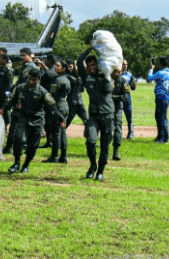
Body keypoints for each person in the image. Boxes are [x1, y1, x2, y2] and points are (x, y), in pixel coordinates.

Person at [2, 68, 55, 173]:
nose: (31, 82)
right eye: (29, 79)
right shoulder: (20, 88)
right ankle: (16, 163)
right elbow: (12, 101)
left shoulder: (43, 92)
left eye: (33, 80)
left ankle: (26, 165)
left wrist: (59, 120)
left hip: (37, 121)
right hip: (23, 118)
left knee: (33, 145)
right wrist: (3, 109)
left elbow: (53, 106)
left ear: (38, 79)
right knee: (18, 138)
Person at [76, 50, 114, 181]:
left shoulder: (105, 76)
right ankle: (92, 165)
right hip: (93, 116)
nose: (91, 67)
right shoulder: (86, 77)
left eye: (93, 65)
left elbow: (108, 90)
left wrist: (106, 75)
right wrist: (90, 49)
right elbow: (80, 62)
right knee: (90, 141)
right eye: (89, 65)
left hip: (108, 115)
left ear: (97, 65)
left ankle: (100, 172)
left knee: (105, 146)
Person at [43, 59, 70, 163]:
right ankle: (63, 156)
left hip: (57, 107)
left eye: (58, 66)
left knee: (56, 132)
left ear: (63, 69)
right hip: (64, 105)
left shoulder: (57, 81)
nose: (55, 67)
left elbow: (52, 96)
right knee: (62, 132)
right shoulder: (66, 79)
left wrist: (46, 104)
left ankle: (54, 156)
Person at [110, 64, 136, 159]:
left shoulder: (123, 81)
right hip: (107, 108)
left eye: (118, 71)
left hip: (117, 108)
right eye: (115, 72)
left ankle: (116, 152)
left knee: (118, 128)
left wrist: (114, 97)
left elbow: (125, 96)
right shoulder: (106, 80)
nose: (117, 73)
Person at [148, 56, 169, 144]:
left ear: (161, 64)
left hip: (160, 97)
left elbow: (150, 78)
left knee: (161, 117)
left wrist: (151, 69)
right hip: (166, 97)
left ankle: (164, 138)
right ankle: (160, 136)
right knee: (159, 116)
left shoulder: (160, 73)